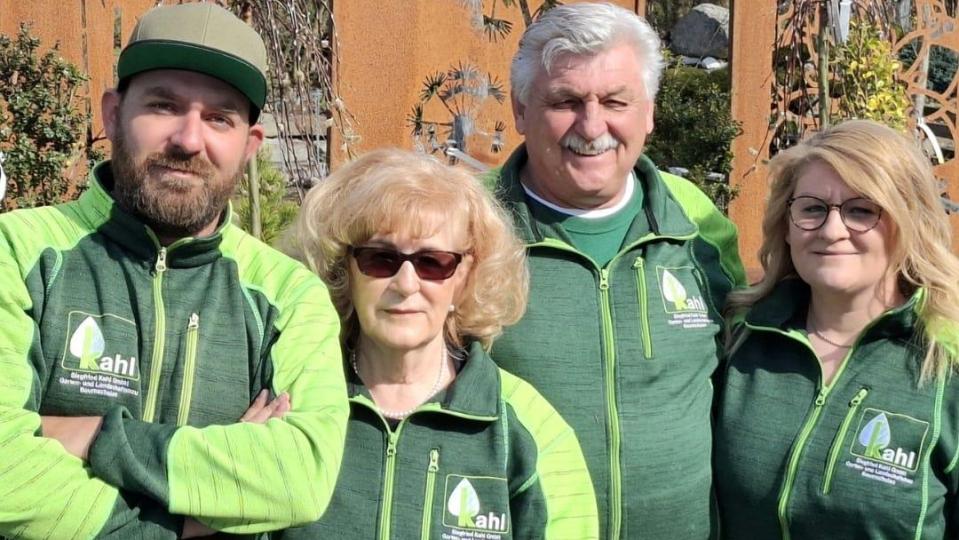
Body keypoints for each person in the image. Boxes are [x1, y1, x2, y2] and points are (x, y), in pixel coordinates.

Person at [0, 3, 348, 538]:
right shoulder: (20, 252)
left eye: (219, 118)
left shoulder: (287, 297)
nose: (188, 140)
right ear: (113, 114)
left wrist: (98, 438)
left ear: (249, 146)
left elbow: (299, 474)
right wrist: (183, 526)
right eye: (163, 106)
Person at [487, 3, 745, 538]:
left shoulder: (697, 226)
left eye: (615, 101)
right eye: (565, 101)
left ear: (648, 110)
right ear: (519, 107)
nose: (592, 125)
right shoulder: (463, 230)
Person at [274, 148, 599, 539]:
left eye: (433, 263)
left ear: (465, 277)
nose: (406, 284)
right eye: (381, 259)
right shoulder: (291, 403)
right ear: (344, 270)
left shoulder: (528, 430)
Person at [714, 119, 959, 539]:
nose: (831, 230)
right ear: (786, 226)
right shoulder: (739, 337)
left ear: (909, 222)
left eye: (861, 210)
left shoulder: (945, 366)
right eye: (811, 208)